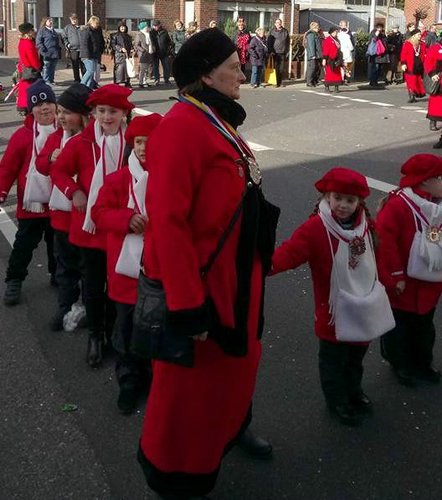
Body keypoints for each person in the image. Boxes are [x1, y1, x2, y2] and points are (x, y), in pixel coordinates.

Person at [137, 28, 279, 498]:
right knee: (190, 393)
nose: (242, 72)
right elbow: (168, 225)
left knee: (233, 376)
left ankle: (232, 430)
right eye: (233, 67)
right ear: (205, 75)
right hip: (203, 290)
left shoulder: (215, 120)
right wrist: (186, 305)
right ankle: (177, 473)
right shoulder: (180, 127)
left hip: (236, 281)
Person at [271, 168, 385, 426]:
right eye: (338, 198)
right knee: (333, 359)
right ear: (327, 197)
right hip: (334, 309)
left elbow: (379, 256)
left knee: (356, 356)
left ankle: (354, 391)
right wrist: (264, 267)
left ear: (359, 203)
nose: (343, 205)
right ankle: (337, 400)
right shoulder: (316, 228)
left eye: (350, 200)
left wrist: (388, 282)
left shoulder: (366, 226)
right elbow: (291, 252)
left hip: (363, 304)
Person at [52, 84, 134, 367]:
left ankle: (115, 333)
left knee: (119, 284)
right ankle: (96, 336)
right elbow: (59, 170)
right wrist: (73, 190)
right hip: (89, 229)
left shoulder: (133, 144)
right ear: (94, 113)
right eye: (101, 111)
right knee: (93, 283)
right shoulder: (81, 143)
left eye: (113, 111)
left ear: (124, 113)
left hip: (121, 226)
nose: (107, 117)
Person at [92, 114, 162, 414]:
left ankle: (157, 381)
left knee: (158, 329)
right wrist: (126, 219)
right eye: (139, 142)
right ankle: (129, 380)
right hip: (125, 273)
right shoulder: (119, 179)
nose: (144, 148)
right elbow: (98, 212)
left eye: (150, 141)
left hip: (159, 272)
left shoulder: (169, 177)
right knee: (127, 328)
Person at [377, 154, 442, 387]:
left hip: (430, 280)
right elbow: (385, 243)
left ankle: (423, 362)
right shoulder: (398, 205)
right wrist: (395, 276)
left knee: (424, 327)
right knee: (399, 327)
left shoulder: (437, 206)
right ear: (425, 181)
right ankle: (400, 364)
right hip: (404, 283)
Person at [35, 83, 92, 331]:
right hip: (61, 217)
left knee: (88, 268)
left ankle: (91, 310)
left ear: (83, 115)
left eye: (66, 113)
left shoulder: (93, 139)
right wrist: (50, 158)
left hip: (86, 217)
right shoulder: (56, 137)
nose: (60, 117)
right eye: (59, 112)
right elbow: (40, 164)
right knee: (65, 266)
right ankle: (65, 306)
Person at [0, 80, 57, 305]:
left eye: (49, 103)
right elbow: (8, 167)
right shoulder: (23, 136)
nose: (45, 108)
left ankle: (57, 275)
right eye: (38, 104)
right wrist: (2, 191)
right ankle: (14, 280)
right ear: (31, 109)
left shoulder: (64, 132)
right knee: (23, 245)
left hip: (57, 203)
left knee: (58, 246)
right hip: (30, 204)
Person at [16, 22, 41, 115]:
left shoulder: (22, 42)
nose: (34, 31)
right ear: (28, 32)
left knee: (24, 90)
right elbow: (32, 58)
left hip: (24, 68)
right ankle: (29, 107)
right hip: (30, 70)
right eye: (32, 30)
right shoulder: (28, 43)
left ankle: (23, 107)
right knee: (32, 89)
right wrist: (38, 67)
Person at [400, 29, 426, 103]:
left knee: (417, 81)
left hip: (419, 65)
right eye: (418, 35)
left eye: (420, 34)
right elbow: (403, 54)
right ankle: (411, 96)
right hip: (410, 65)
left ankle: (415, 94)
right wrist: (403, 64)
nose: (420, 36)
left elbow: (424, 54)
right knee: (411, 81)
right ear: (414, 36)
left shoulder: (422, 44)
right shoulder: (408, 44)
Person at [79, 16, 105, 89]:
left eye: (98, 23)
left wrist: (100, 50)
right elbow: (84, 44)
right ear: (91, 22)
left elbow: (100, 41)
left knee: (92, 72)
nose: (97, 24)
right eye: (96, 23)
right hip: (87, 55)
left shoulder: (97, 31)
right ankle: (80, 86)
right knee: (90, 71)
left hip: (95, 54)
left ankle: (88, 89)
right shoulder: (86, 31)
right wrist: (87, 55)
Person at [424, 36, 442, 141]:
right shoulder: (435, 48)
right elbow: (428, 62)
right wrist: (432, 74)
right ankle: (432, 121)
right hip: (438, 79)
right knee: (435, 102)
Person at [36, 17, 61, 85]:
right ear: (45, 22)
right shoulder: (42, 30)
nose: (51, 22)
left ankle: (51, 80)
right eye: (49, 20)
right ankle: (46, 81)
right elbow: (38, 42)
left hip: (55, 52)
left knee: (52, 67)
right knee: (46, 67)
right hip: (47, 52)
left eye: (51, 21)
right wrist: (42, 49)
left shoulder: (53, 30)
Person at [62, 13, 84, 83]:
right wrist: (67, 44)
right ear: (70, 20)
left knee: (83, 66)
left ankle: (84, 79)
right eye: (72, 19)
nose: (74, 21)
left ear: (77, 19)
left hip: (82, 49)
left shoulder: (82, 27)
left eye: (75, 19)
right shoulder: (67, 28)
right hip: (73, 50)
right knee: (75, 65)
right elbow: (63, 37)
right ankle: (77, 79)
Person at [267, 18, 290, 88]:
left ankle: (280, 81)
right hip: (274, 53)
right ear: (275, 24)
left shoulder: (285, 31)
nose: (278, 24)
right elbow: (269, 42)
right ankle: (275, 82)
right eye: (277, 23)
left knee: (281, 68)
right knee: (275, 68)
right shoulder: (272, 31)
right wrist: (270, 51)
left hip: (282, 52)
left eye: (279, 23)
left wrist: (287, 51)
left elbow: (287, 42)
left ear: (281, 23)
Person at [111, 21, 134, 87]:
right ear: (119, 28)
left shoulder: (128, 36)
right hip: (119, 55)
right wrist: (120, 49)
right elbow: (113, 45)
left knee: (128, 68)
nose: (123, 28)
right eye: (121, 27)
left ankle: (127, 82)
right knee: (119, 69)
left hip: (127, 54)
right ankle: (117, 82)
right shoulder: (115, 35)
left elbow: (130, 44)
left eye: (124, 27)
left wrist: (132, 49)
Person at [150, 19, 173, 85]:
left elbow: (169, 41)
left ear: (159, 25)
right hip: (155, 53)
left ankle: (166, 79)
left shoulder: (164, 32)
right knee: (155, 67)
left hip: (164, 52)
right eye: (154, 26)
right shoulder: (151, 33)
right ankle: (156, 80)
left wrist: (168, 49)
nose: (155, 27)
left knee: (166, 66)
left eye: (156, 25)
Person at [322, 26, 343, 92]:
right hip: (330, 59)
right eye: (334, 32)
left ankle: (336, 87)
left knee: (337, 73)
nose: (336, 33)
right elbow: (325, 50)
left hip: (337, 59)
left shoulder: (337, 40)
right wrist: (324, 59)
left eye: (336, 32)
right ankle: (327, 87)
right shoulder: (328, 40)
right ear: (331, 32)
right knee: (329, 74)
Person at [134, 20, 154, 89]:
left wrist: (153, 49)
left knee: (146, 69)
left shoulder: (149, 34)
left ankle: (144, 81)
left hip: (149, 53)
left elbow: (151, 43)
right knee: (142, 69)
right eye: (146, 26)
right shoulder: (139, 34)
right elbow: (136, 45)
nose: (148, 28)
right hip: (143, 54)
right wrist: (143, 50)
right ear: (143, 27)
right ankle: (140, 82)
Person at [304, 22, 322, 87]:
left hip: (317, 54)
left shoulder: (316, 34)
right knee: (312, 68)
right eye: (317, 27)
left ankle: (313, 81)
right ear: (313, 27)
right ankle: (309, 82)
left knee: (316, 68)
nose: (318, 28)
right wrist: (312, 55)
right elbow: (311, 45)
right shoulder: (311, 35)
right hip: (313, 55)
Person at [337, 20, 354, 84]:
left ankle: (344, 78)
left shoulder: (348, 33)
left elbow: (352, 41)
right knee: (345, 65)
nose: (344, 26)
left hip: (342, 52)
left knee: (344, 66)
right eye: (343, 25)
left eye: (345, 25)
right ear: (340, 25)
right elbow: (351, 44)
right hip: (345, 52)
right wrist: (351, 48)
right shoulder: (342, 34)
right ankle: (344, 78)